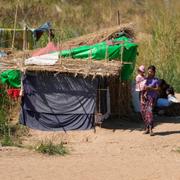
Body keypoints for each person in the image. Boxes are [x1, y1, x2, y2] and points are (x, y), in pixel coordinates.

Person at [140, 65, 159, 136]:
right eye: (149, 71)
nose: (149, 73)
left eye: (151, 71)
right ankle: (147, 128)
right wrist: (142, 97)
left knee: (149, 112)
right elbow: (141, 88)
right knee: (143, 112)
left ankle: (151, 129)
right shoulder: (144, 79)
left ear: (154, 72)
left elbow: (157, 89)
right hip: (144, 97)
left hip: (151, 98)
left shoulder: (156, 80)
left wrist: (150, 88)